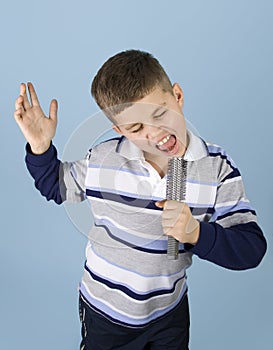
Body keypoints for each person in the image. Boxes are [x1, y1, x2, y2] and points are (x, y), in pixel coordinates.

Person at [14, 50, 267, 350]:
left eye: (160, 114)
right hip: (103, 314)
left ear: (177, 95)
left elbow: (251, 249)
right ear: (120, 130)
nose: (156, 133)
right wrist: (41, 148)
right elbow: (54, 186)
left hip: (168, 316)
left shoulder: (216, 168)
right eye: (136, 128)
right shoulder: (103, 159)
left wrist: (196, 234)